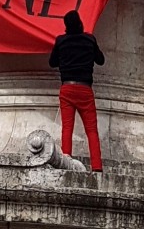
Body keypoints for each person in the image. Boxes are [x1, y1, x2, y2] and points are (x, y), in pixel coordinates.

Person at [49, 10, 105, 172]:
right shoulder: (89, 40)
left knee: (67, 128)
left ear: (66, 26)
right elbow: (101, 60)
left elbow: (52, 62)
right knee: (91, 130)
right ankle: (97, 166)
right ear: (80, 23)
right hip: (85, 90)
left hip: (67, 88)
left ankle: (67, 162)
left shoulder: (61, 41)